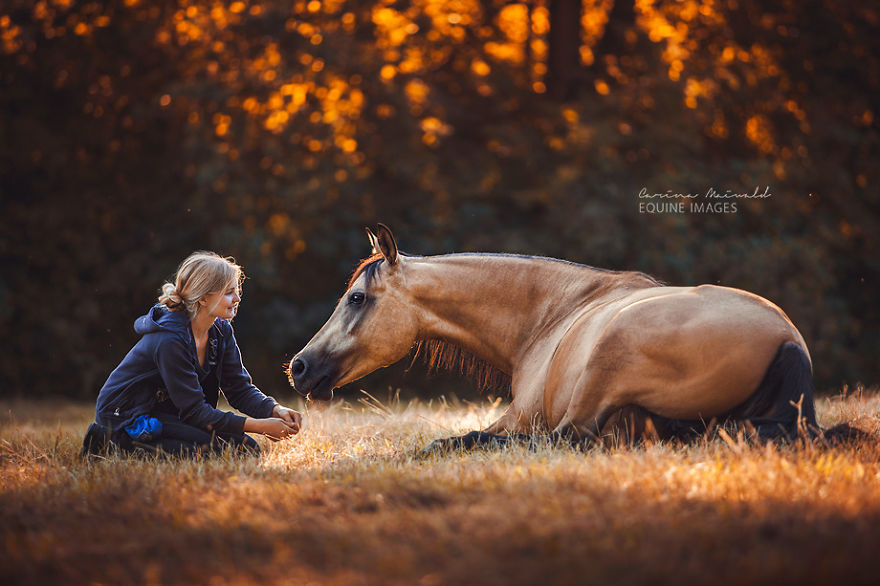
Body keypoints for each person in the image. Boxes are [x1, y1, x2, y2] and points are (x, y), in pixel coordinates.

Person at [82, 251, 302, 457]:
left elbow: (238, 388)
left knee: (246, 448)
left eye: (237, 290)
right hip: (129, 415)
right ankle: (108, 441)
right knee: (219, 451)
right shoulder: (170, 339)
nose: (237, 298)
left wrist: (274, 410)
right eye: (229, 292)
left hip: (169, 411)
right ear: (203, 298)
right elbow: (195, 412)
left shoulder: (221, 331)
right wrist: (260, 426)